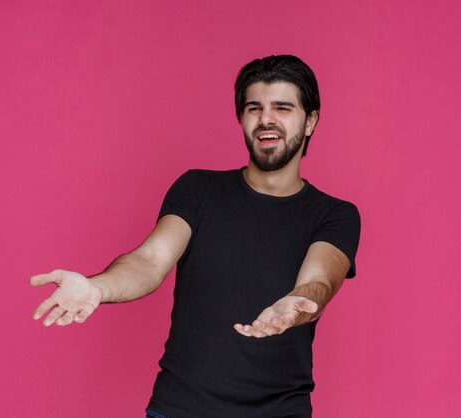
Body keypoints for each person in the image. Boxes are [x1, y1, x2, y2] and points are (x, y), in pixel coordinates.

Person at [31, 55, 361, 418]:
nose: (266, 119)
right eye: (255, 108)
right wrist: (98, 287)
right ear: (242, 118)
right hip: (179, 409)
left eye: (282, 108)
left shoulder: (335, 214)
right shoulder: (197, 189)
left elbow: (318, 281)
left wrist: (296, 305)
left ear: (310, 120)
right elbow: (149, 260)